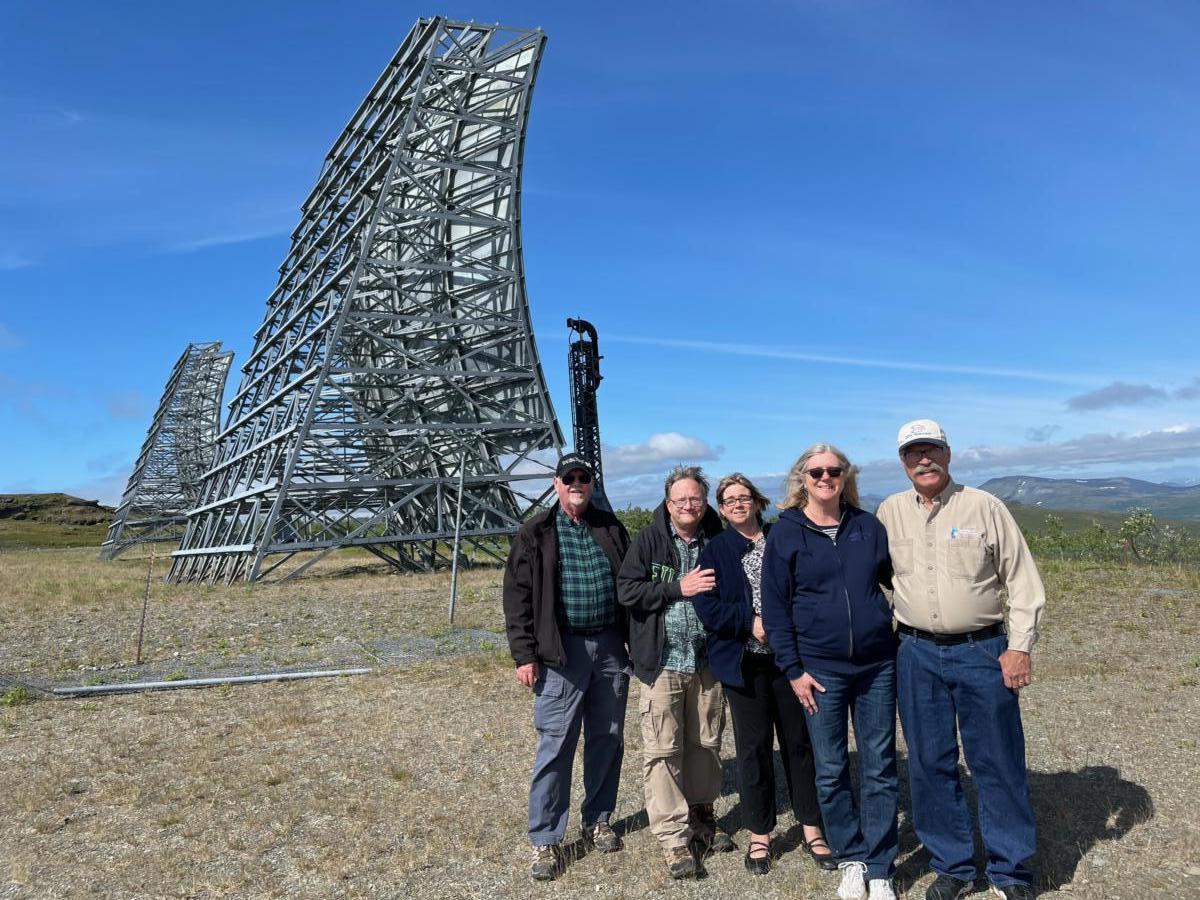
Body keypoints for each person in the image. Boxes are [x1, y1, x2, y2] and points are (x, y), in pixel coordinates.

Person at [876, 420, 1045, 900]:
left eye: (931, 450)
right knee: (930, 763)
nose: (923, 460)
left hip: (982, 651)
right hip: (914, 652)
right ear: (903, 462)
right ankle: (952, 865)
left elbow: (1023, 581)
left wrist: (1019, 647)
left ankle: (1010, 871)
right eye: (913, 453)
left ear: (948, 454)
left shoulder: (984, 507)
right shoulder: (889, 512)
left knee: (997, 760)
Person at [761, 444, 899, 900]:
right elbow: (776, 611)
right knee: (832, 767)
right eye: (815, 471)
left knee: (879, 766)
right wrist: (794, 670)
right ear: (802, 478)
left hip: (877, 665)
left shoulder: (867, 526)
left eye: (833, 470)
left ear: (845, 476)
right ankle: (852, 857)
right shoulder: (785, 534)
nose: (825, 477)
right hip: (820, 671)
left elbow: (892, 581)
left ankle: (880, 865)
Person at [692, 473, 835, 876]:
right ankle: (760, 833)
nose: (738, 504)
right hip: (745, 664)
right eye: (729, 500)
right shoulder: (716, 550)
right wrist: (749, 622)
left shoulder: (782, 537)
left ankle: (811, 827)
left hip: (791, 662)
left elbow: (809, 588)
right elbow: (707, 607)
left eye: (744, 497)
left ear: (758, 501)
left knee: (799, 744)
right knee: (753, 749)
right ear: (721, 509)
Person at [502, 452, 632, 881]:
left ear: (591, 484)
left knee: (608, 738)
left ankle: (598, 819)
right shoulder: (535, 532)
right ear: (557, 484)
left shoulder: (609, 528)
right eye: (569, 477)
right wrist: (524, 653)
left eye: (584, 477)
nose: (577, 483)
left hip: (611, 647)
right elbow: (517, 597)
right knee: (556, 744)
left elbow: (631, 584)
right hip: (561, 653)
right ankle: (545, 839)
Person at [617, 465, 732, 879]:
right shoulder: (650, 540)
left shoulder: (716, 539)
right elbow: (627, 590)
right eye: (681, 499)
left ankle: (702, 816)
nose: (688, 504)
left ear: (705, 502)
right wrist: (676, 589)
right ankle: (674, 838)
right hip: (663, 662)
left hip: (707, 662)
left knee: (705, 743)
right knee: (664, 750)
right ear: (668, 504)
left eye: (695, 498)